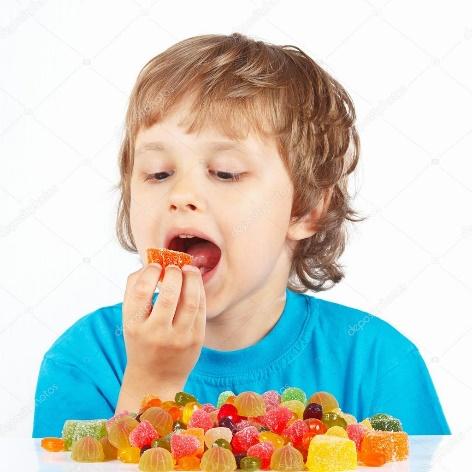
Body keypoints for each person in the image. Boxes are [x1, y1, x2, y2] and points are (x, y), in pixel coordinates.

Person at [32, 33, 450, 438]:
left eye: (226, 173)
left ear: (304, 208)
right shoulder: (84, 360)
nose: (181, 195)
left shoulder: (379, 363)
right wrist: (152, 380)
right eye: (158, 173)